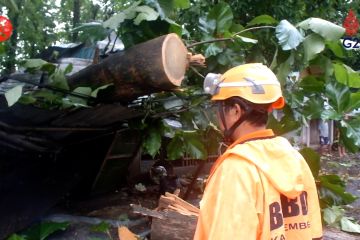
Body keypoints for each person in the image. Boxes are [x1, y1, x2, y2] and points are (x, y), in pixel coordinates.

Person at [194, 63, 323, 240]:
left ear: (236, 111)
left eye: (219, 109)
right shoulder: (295, 158)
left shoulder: (237, 168)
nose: (217, 118)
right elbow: (313, 233)